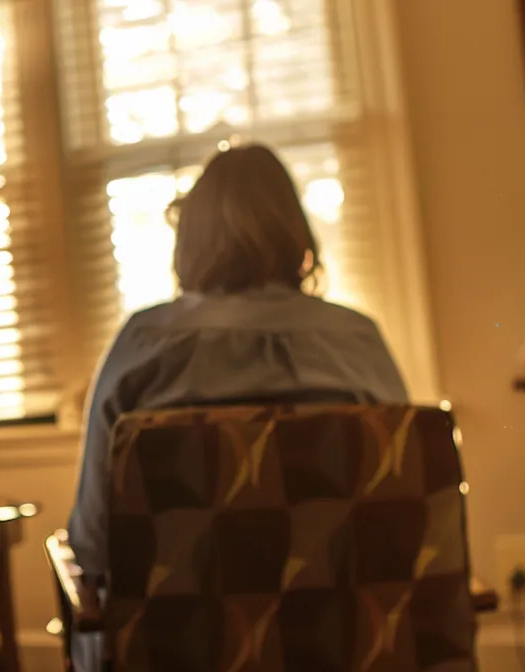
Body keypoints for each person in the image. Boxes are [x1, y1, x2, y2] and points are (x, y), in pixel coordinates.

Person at [65, 143, 409, 670]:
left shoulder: (142, 343)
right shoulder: (358, 341)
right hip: (340, 649)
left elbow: (93, 546)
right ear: (294, 231)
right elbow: (402, 520)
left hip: (178, 652)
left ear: (192, 238)